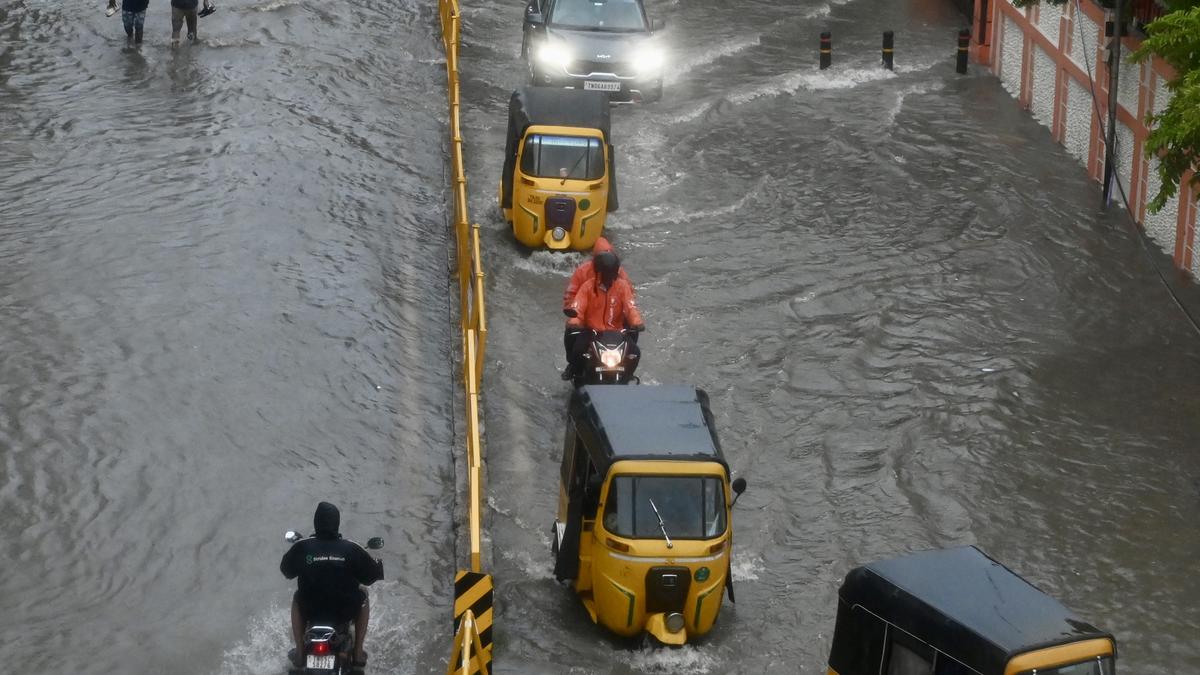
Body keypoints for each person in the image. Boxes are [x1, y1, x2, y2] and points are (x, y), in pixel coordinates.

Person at [280, 502, 384, 670]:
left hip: (311, 610)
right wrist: (377, 563)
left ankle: (300, 654)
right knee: (363, 595)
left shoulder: (302, 546)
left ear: (316, 522)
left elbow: (286, 571)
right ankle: (358, 653)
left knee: (297, 598)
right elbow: (371, 577)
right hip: (343, 612)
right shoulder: (352, 548)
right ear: (337, 523)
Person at [563, 251, 644, 380]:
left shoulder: (622, 286)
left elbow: (630, 307)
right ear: (599, 273)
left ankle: (627, 377)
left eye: (611, 274)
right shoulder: (588, 287)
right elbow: (578, 306)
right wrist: (574, 321)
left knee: (635, 353)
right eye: (606, 274)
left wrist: (637, 321)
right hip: (592, 332)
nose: (609, 278)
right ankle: (575, 371)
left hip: (616, 332)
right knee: (578, 351)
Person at [561, 237, 631, 371]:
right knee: (572, 339)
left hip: (613, 321)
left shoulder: (619, 274)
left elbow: (629, 296)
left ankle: (626, 369)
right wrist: (575, 314)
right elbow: (571, 294)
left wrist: (631, 317)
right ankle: (573, 367)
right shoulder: (583, 274)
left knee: (633, 346)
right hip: (586, 318)